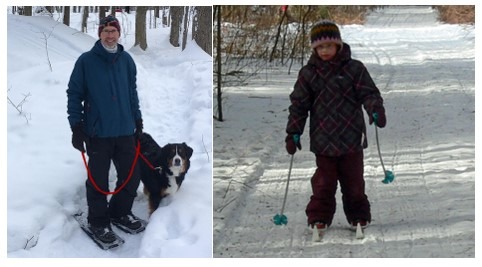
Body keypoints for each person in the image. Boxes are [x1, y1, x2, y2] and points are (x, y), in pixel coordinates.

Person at [285, 20, 387, 233]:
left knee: (354, 182)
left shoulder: (354, 69)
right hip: (323, 140)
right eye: (320, 47)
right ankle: (319, 216)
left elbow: (368, 93)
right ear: (314, 48)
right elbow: (299, 105)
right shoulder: (308, 74)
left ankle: (358, 215)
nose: (325, 51)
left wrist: (375, 110)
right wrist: (293, 132)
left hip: (352, 139)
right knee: (324, 182)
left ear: (338, 45)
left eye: (329, 46)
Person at [67, 15, 144, 243]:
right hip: (98, 133)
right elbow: (74, 94)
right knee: (98, 181)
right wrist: (76, 127)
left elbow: (132, 93)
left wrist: (137, 121)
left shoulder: (127, 60)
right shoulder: (86, 61)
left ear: (119, 34)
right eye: (106, 31)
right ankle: (98, 221)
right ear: (99, 33)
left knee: (131, 177)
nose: (110, 35)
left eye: (113, 31)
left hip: (125, 131)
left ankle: (120, 212)